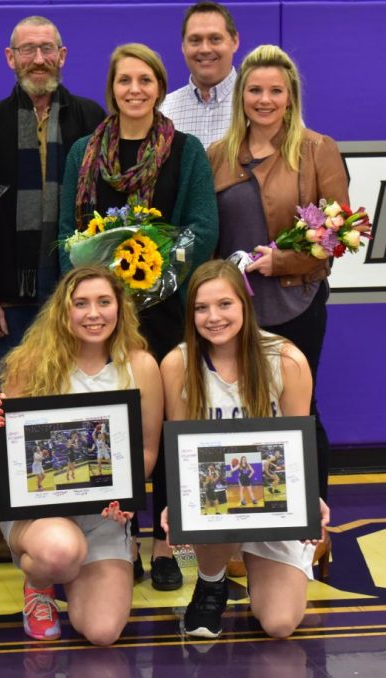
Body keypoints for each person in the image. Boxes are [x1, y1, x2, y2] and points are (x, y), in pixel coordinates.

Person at [58, 43, 218, 591]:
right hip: (99, 318)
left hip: (166, 313)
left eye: (145, 81)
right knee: (110, 429)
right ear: (112, 88)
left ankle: (167, 542)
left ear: (158, 87)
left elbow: (201, 228)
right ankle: (120, 535)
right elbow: (65, 234)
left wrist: (156, 269)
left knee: (167, 425)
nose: (134, 90)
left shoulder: (187, 150)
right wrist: (90, 279)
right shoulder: (84, 150)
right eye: (124, 80)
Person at [0, 264, 162, 644]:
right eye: (80, 303)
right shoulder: (31, 362)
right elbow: (4, 453)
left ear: (120, 308)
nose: (93, 314)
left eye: (103, 302)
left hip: (104, 515)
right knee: (60, 551)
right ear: (63, 311)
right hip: (41, 513)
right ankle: (39, 586)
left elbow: (147, 448)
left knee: (102, 632)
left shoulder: (142, 366)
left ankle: (77, 569)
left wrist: (127, 493)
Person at [160, 259, 330, 639]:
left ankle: (263, 572)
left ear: (245, 305)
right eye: (201, 308)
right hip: (218, 500)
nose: (213, 317)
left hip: (272, 498)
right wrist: (178, 499)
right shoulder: (177, 363)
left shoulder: (286, 359)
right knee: (212, 495)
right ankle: (210, 583)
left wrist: (310, 499)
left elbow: (299, 442)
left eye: (225, 304)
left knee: (280, 624)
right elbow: (181, 447)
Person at [208, 44, 348, 506]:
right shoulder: (217, 155)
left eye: (275, 91)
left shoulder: (317, 149)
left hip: (297, 303)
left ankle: (312, 521)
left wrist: (282, 261)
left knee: (299, 410)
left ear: (290, 97)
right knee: (238, 413)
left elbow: (338, 235)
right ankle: (243, 512)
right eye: (254, 90)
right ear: (240, 96)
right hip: (233, 312)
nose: (264, 100)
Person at [0, 15, 106, 366]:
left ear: (63, 56)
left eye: (47, 49)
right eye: (28, 49)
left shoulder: (92, 118)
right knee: (16, 404)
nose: (39, 59)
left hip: (80, 295)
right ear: (11, 57)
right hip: (12, 300)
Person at [160, 2, 240, 148]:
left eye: (215, 39)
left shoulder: (259, 106)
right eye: (195, 40)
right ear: (183, 46)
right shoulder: (162, 110)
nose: (205, 49)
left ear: (235, 42)